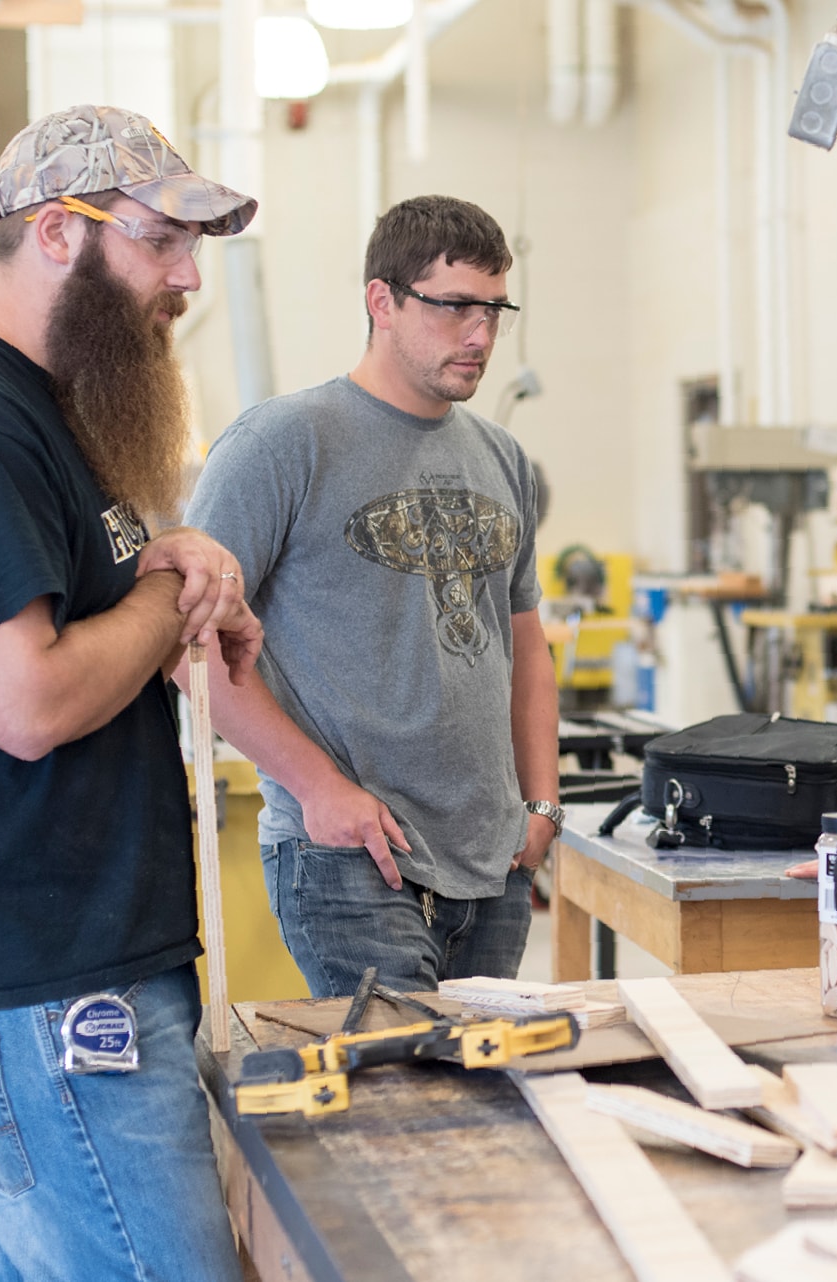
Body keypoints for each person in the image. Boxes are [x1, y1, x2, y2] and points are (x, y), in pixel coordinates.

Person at [0, 105, 262, 1279]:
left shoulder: (53, 411)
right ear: (52, 233)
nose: (186, 277)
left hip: (83, 962)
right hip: (47, 985)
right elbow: (24, 703)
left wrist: (171, 567)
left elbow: (102, 608)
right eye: (159, 241)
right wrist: (164, 596)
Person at [182, 195, 557, 997]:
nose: (482, 335)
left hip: (491, 868)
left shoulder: (504, 459)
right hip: (352, 858)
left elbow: (527, 647)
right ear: (380, 300)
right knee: (398, 1107)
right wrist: (319, 789)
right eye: (455, 306)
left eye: (495, 309)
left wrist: (542, 806)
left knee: (473, 1104)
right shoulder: (284, 444)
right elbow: (187, 647)